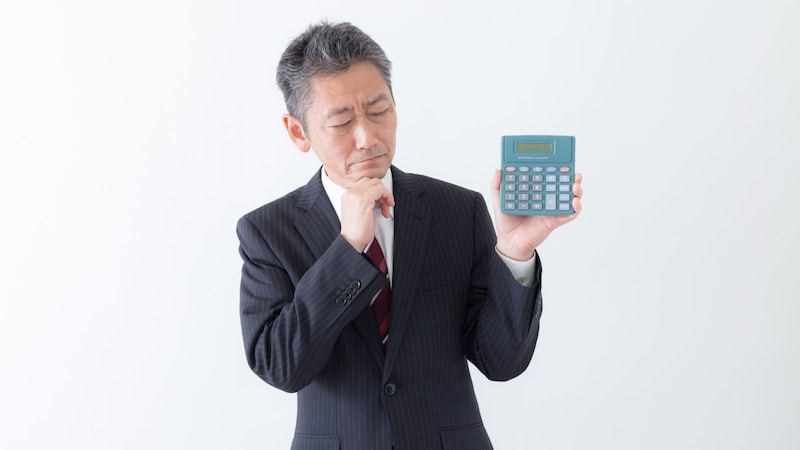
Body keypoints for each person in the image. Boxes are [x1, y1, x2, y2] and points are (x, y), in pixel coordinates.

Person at [237, 21, 583, 450]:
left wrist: (514, 252)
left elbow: (501, 362)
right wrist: (348, 249)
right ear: (298, 131)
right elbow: (281, 366)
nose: (367, 138)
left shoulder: (457, 210)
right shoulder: (268, 232)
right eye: (341, 122)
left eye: (379, 111)